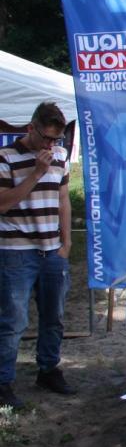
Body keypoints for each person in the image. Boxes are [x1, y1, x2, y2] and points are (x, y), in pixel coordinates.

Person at [0, 102, 75, 409]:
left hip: (53, 250)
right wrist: (36, 172)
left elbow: (63, 199)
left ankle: (48, 369)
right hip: (16, 251)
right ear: (31, 128)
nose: (50, 145)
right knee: (14, 321)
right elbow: (3, 204)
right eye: (46, 138)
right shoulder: (6, 157)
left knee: (54, 316)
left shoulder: (61, 155)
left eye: (56, 139)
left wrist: (66, 243)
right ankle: (3, 381)